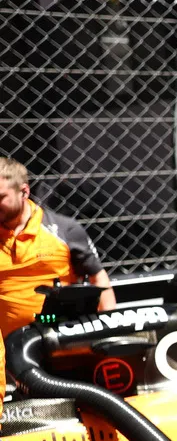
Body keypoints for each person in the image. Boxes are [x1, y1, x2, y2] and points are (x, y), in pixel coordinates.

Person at [0, 157, 117, 372]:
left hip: (61, 345)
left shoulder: (64, 230)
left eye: (1, 197)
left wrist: (109, 332)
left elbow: (98, 278)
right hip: (7, 356)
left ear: (24, 192)